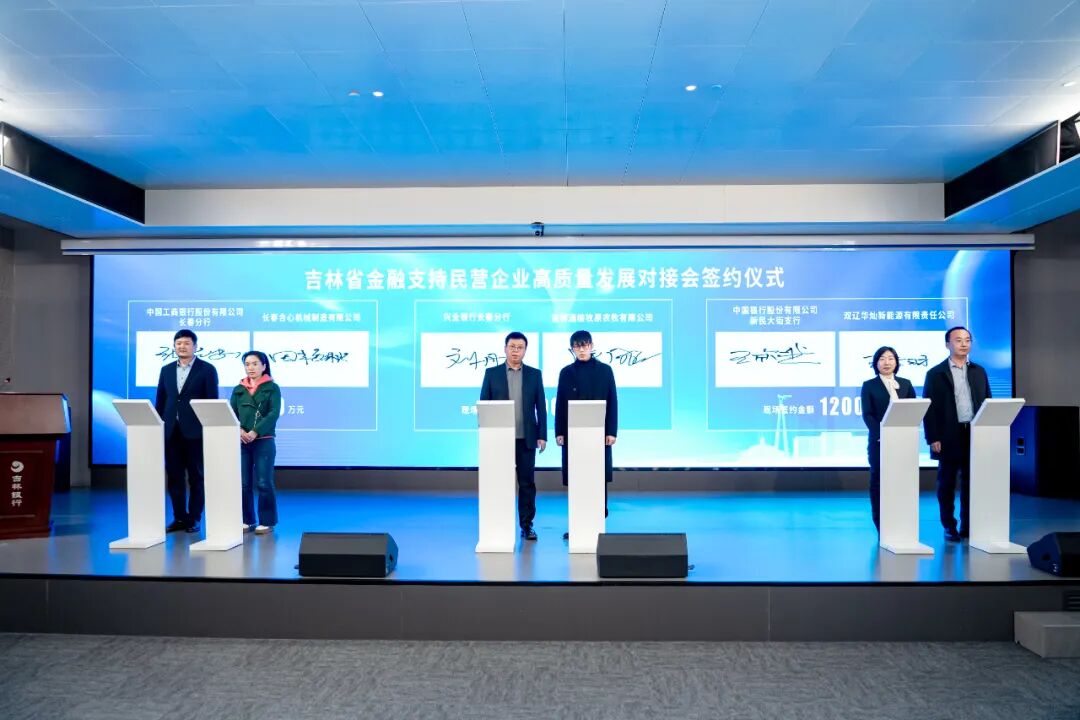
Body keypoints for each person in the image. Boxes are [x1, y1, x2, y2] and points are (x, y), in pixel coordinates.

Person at [922, 326, 991, 542]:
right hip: (948, 435)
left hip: (974, 434)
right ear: (947, 344)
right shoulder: (935, 374)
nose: (964, 344)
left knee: (972, 483)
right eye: (958, 340)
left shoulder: (979, 371)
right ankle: (949, 526)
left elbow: (988, 402)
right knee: (947, 484)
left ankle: (968, 525)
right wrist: (932, 437)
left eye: (967, 340)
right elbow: (929, 409)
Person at [479, 332, 547, 540]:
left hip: (526, 439)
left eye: (520, 347)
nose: (516, 351)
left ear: (525, 350)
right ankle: (499, 524)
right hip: (500, 439)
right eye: (512, 347)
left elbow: (541, 407)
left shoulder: (534, 374)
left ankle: (527, 525)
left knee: (527, 484)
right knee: (500, 482)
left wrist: (542, 435)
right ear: (505, 349)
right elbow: (484, 406)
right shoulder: (492, 374)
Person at [555, 330, 617, 539]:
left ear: (591, 346)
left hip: (599, 436)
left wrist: (611, 431)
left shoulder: (605, 370)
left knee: (598, 479)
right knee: (577, 479)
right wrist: (559, 431)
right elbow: (560, 404)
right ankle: (578, 525)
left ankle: (597, 523)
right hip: (573, 437)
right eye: (577, 346)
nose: (582, 349)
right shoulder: (566, 373)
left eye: (585, 345)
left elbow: (613, 401)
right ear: (572, 349)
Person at [155, 329, 219, 533]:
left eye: (186, 343)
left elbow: (212, 402)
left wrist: (208, 429)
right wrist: (159, 426)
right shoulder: (166, 370)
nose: (182, 346)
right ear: (174, 346)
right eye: (178, 343)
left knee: (196, 477)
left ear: (195, 346)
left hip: (195, 433)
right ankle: (179, 518)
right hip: (171, 432)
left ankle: (194, 518)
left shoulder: (207, 369)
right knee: (174, 477)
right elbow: (161, 401)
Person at [860, 346, 916, 534]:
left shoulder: (906, 384)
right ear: (876, 363)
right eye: (882, 359)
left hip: (903, 443)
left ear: (896, 362)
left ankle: (902, 523)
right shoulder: (869, 385)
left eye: (891, 358)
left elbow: (913, 410)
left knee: (902, 481)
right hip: (879, 443)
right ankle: (881, 524)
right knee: (879, 481)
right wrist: (882, 434)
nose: (887, 362)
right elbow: (868, 415)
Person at [229, 351, 282, 535]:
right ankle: (247, 520)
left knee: (263, 482)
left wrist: (255, 431)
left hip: (263, 441)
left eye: (255, 364)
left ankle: (267, 521)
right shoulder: (238, 389)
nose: (250, 368)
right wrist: (239, 431)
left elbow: (273, 413)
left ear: (264, 366)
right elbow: (232, 413)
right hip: (242, 441)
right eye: (247, 364)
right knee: (243, 484)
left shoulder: (272, 387)